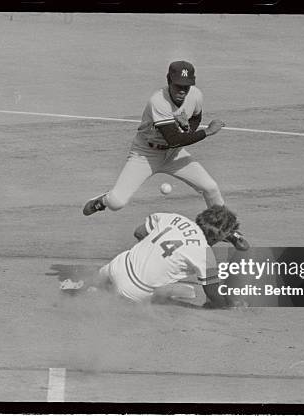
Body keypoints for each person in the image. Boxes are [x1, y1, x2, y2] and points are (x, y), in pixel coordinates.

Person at [82, 60, 249, 251]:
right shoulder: (158, 101)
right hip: (145, 154)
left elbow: (195, 117)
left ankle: (227, 230)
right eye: (178, 85)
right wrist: (206, 132)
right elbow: (174, 139)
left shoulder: (195, 95)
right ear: (168, 80)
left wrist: (189, 128)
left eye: (186, 86)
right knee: (117, 202)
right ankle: (102, 200)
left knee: (210, 187)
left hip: (174, 155)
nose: (183, 91)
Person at [63, 205, 240, 304]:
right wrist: (227, 306)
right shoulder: (205, 253)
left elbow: (139, 232)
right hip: (132, 292)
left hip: (116, 266)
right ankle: (104, 297)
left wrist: (151, 253)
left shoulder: (172, 217)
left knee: (107, 277)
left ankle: (84, 288)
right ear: (221, 236)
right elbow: (212, 292)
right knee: (187, 291)